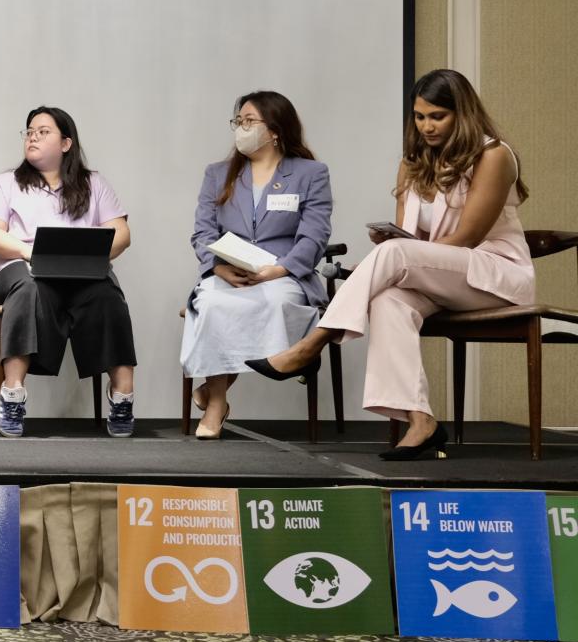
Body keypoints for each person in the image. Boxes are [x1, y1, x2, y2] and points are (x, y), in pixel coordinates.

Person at [248, 69, 532, 460]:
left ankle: (312, 342)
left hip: (494, 276)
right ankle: (421, 422)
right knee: (387, 301)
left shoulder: (493, 155)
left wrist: (402, 252)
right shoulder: (413, 163)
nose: (426, 126)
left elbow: (466, 238)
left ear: (461, 114)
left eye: (437, 116)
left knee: (394, 257)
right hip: (439, 275)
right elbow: (410, 239)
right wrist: (397, 243)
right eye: (419, 116)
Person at [0, 106, 137, 438]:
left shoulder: (94, 184)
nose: (32, 136)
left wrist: (91, 256)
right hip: (21, 268)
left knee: (107, 292)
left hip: (79, 274)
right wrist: (27, 251)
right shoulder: (8, 183)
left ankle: (122, 395)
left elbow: (122, 234)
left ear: (66, 143)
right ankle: (12, 393)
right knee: (28, 286)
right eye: (29, 131)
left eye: (42, 131)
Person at [181, 92, 333, 439]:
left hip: (284, 273)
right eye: (238, 122)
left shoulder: (311, 173)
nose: (241, 128)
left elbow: (315, 235)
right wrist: (217, 268)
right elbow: (203, 231)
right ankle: (217, 401)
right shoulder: (218, 174)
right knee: (213, 303)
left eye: (249, 121)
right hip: (229, 271)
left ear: (276, 129)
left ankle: (213, 391)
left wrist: (278, 270)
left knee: (276, 302)